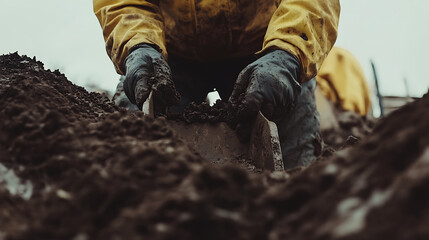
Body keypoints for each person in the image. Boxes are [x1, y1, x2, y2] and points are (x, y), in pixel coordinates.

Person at [93, 0, 340, 169]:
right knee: (129, 160)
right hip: (167, 54)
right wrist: (138, 44)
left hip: (267, 54)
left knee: (297, 174)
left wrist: (288, 52)